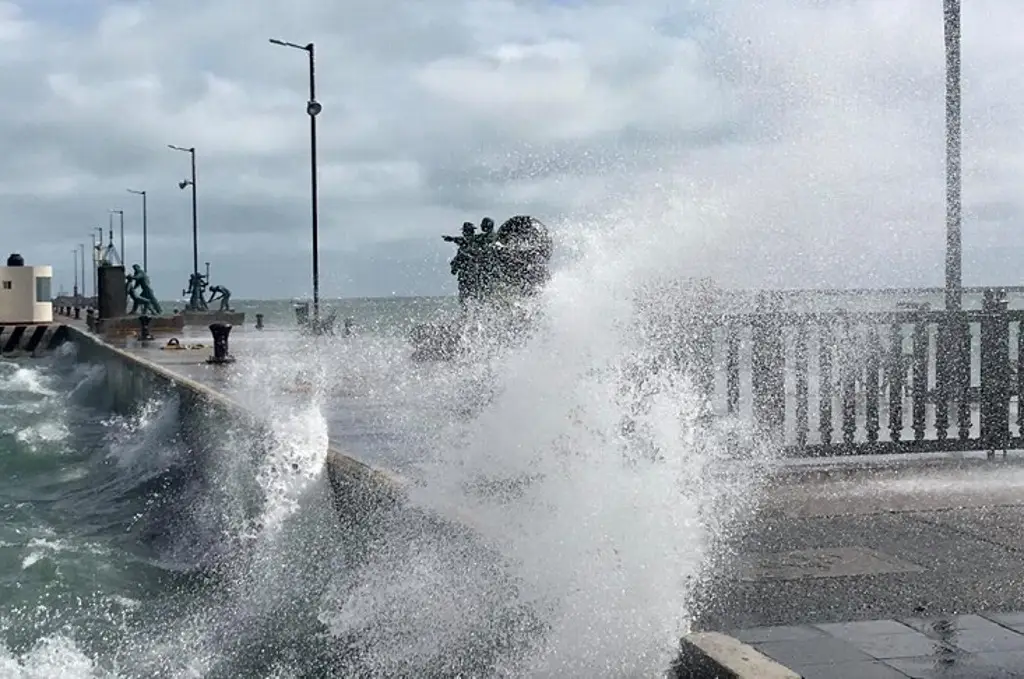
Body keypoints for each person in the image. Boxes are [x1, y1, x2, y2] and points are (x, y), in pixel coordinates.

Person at [444, 222, 482, 305]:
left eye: (464, 231)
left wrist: (454, 267)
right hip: (473, 277)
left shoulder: (468, 245)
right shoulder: (477, 243)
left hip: (468, 277)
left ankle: (467, 316)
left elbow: (457, 261)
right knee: (474, 300)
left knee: (466, 301)